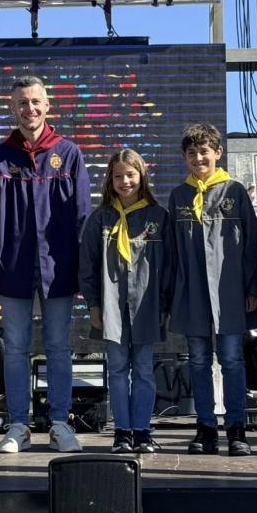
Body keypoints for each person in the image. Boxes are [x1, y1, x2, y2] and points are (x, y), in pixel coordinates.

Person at [0, 75, 91, 454]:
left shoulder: (69, 152)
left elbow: (82, 215)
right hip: (14, 264)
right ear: (12, 108)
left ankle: (60, 423)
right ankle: (18, 426)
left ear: (47, 106)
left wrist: (77, 263)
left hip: (58, 266)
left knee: (59, 346)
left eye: (35, 102)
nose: (29, 108)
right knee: (14, 348)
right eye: (21, 103)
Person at [168, 123, 257, 457]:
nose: (198, 158)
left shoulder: (234, 192)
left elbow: (252, 242)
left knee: (233, 360)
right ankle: (206, 427)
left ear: (218, 153)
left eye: (204, 152)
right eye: (192, 153)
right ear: (184, 157)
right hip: (193, 291)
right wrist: (172, 294)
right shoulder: (178, 196)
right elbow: (170, 251)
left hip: (230, 293)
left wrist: (252, 285)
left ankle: (237, 428)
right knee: (197, 360)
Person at [79, 149, 173, 454]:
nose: (124, 181)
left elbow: (170, 267)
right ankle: (122, 431)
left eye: (130, 174)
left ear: (142, 176)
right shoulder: (100, 219)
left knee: (144, 369)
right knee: (118, 368)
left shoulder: (158, 217)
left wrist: (165, 305)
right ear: (110, 179)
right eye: (118, 176)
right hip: (111, 308)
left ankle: (142, 430)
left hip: (147, 307)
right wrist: (94, 305)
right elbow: (88, 266)